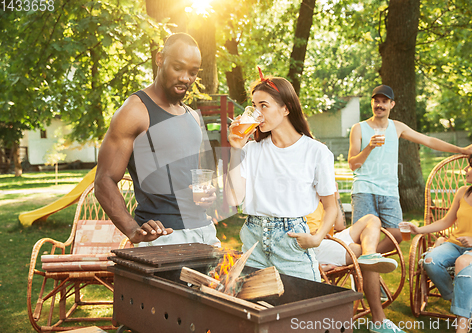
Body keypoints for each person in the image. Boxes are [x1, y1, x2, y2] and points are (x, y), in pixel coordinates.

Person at [94, 33, 219, 247]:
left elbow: (192, 176)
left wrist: (207, 194)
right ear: (159, 59)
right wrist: (132, 229)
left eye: (192, 72)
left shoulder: (192, 116)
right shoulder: (135, 111)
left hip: (204, 232)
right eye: (178, 68)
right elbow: (103, 180)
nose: (185, 78)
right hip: (164, 237)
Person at [225, 70, 337, 282]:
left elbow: (331, 207)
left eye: (263, 106)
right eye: (254, 106)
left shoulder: (316, 152)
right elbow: (233, 199)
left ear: (286, 108)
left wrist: (317, 238)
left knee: (302, 310)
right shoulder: (250, 150)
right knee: (255, 310)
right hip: (253, 243)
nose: (256, 114)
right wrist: (235, 150)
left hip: (291, 243)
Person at [348, 85, 472, 253]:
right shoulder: (359, 128)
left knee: (396, 236)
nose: (380, 105)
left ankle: (365, 259)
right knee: (362, 235)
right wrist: (369, 147)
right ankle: (365, 264)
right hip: (364, 189)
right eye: (376, 101)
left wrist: (462, 149)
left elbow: (429, 140)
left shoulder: (397, 127)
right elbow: (353, 164)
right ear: (371, 103)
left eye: (384, 101)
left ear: (392, 104)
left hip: (389, 191)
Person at [406, 153, 472, 333]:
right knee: (430, 260)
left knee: (463, 262)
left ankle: (462, 324)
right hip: (456, 244)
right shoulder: (462, 192)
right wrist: (419, 230)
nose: (465, 169)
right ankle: (458, 301)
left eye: (470, 166)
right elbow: (446, 222)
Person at [307, 197, 406, 333]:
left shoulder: (323, 194)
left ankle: (370, 255)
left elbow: (340, 226)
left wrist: (334, 197)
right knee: (359, 251)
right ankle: (379, 320)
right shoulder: (300, 189)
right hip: (313, 244)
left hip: (330, 239)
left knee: (371, 219)